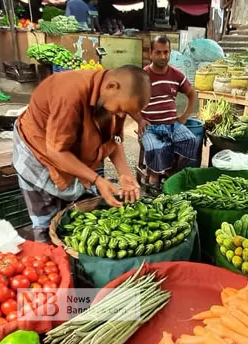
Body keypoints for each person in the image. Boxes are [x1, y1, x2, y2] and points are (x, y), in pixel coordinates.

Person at [14, 66, 149, 242]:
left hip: (72, 153)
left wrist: (124, 173)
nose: (122, 114)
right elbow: (57, 151)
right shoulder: (69, 94)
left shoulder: (114, 99)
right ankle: (49, 255)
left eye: (127, 112)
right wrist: (97, 180)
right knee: (45, 221)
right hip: (40, 153)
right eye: (121, 109)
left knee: (73, 214)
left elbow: (115, 139)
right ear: (112, 86)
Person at [133, 36, 199, 185]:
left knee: (191, 141)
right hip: (150, 128)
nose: (163, 56)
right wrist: (139, 119)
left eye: (166, 52)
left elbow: (192, 93)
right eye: (158, 52)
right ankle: (155, 176)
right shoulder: (142, 77)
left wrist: (184, 116)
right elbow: (127, 103)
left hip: (172, 124)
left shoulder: (176, 75)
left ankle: (171, 172)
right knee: (156, 148)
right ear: (150, 53)